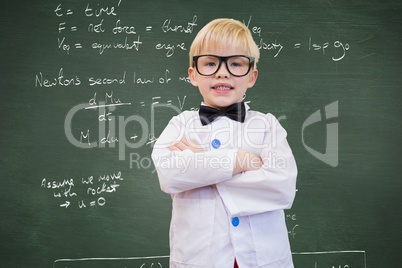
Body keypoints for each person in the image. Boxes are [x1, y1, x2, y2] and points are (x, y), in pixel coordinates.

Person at [151, 18, 297, 268]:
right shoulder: (179, 124)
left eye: (235, 64)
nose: (222, 72)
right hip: (199, 259)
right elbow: (170, 175)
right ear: (193, 75)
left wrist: (201, 169)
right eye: (210, 63)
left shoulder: (268, 125)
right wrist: (241, 160)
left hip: (264, 259)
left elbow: (281, 187)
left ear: (251, 76)